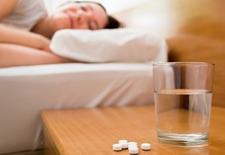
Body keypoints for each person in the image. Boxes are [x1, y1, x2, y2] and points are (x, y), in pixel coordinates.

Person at [0, 0, 120, 67]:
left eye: (90, 26)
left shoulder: (54, 52)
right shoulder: (29, 3)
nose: (80, 15)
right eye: (83, 8)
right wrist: (39, 41)